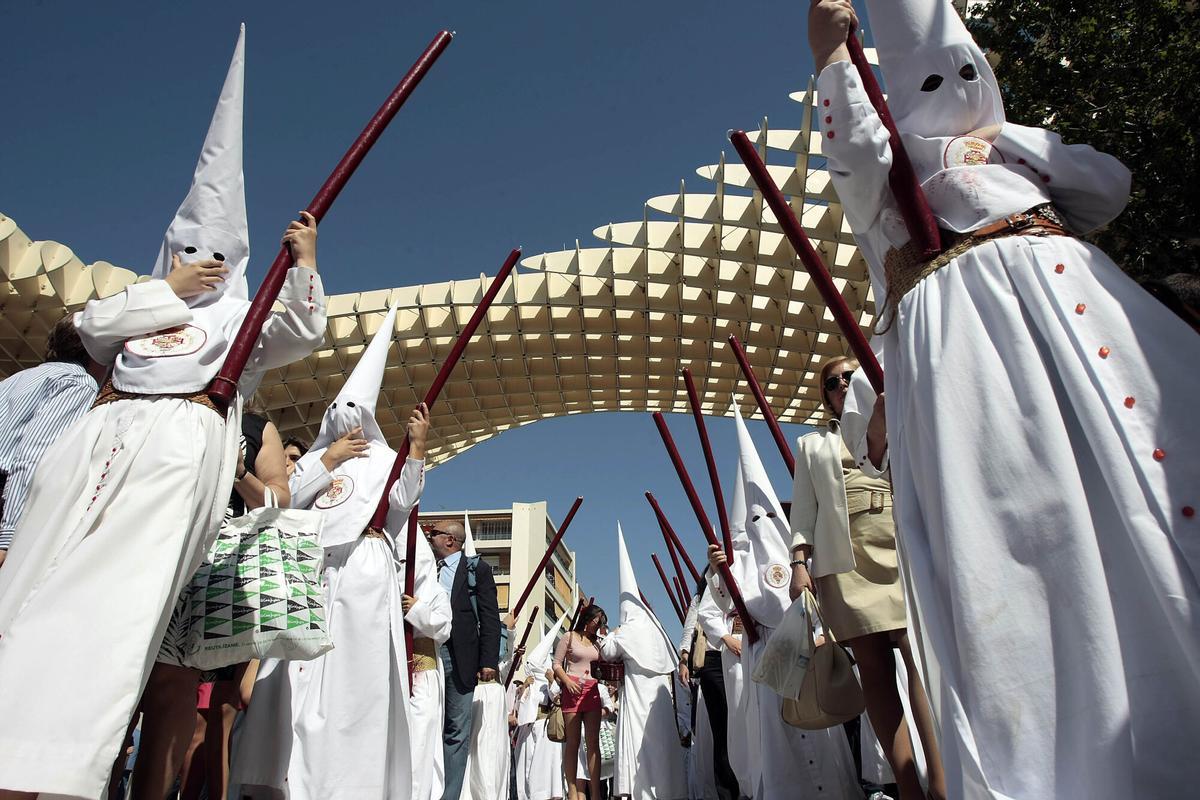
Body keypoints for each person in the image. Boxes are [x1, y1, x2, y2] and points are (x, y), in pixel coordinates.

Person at [808, 0, 1200, 796]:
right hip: (971, 358)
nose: (957, 86)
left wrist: (999, 139)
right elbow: (854, 155)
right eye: (934, 80)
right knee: (1023, 537)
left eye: (969, 71)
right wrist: (834, 63)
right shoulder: (887, 182)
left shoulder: (1015, 161)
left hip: (1076, 323)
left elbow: (1107, 185)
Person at [0, 24, 328, 799]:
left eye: (214, 253)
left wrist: (304, 267)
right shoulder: (144, 305)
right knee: (37, 600)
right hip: (96, 449)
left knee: (112, 619)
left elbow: (301, 331)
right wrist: (167, 293)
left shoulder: (242, 320)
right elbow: (92, 327)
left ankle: (64, 770)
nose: (200, 261)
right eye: (187, 248)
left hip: (176, 453)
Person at [229, 303, 430, 797]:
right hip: (314, 571)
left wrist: (416, 451)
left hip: (364, 571)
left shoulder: (385, 458)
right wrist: (329, 460)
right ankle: (286, 775)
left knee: (355, 679)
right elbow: (288, 498)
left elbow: (402, 503)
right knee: (297, 677)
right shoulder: (317, 457)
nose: (346, 418)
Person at [791, 355, 946, 799]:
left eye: (850, 376)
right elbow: (804, 510)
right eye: (832, 382)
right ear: (825, 397)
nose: (842, 384)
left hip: (900, 546)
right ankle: (908, 785)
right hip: (845, 560)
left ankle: (941, 780)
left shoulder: (896, 416)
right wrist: (799, 563)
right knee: (875, 670)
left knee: (918, 658)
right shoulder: (812, 445)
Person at [134, 404, 291, 800]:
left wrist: (238, 471)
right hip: (142, 546)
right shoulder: (160, 405)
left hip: (206, 566)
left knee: (173, 689)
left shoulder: (255, 427)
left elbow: (278, 501)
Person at [707, 406, 861, 800]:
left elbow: (814, 595)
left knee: (818, 725)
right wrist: (719, 571)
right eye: (754, 520)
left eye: (768, 517)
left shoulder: (796, 554)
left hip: (805, 649)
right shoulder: (737, 561)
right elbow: (721, 602)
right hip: (766, 658)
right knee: (780, 737)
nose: (762, 526)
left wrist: (821, 633)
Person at [0, 315, 103, 568]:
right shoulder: (78, 383)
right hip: (7, 501)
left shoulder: (15, 379)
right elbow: (33, 457)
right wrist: (9, 535)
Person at [598, 525, 688, 799]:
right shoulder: (656, 627)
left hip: (638, 695)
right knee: (663, 745)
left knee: (640, 743)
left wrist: (612, 633)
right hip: (660, 696)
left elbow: (607, 651)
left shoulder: (628, 629)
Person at [429, 517, 501, 800]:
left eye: (433, 533)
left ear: (449, 540)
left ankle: (448, 795)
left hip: (461, 658)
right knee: (426, 722)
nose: (428, 537)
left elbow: (490, 616)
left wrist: (488, 661)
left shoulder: (477, 570)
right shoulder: (424, 567)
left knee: (456, 729)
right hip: (427, 653)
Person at [552, 604, 607, 800]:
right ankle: (572, 790)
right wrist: (567, 682)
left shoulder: (598, 643)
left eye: (601, 622)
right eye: (597, 621)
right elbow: (556, 664)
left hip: (592, 691)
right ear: (588, 619)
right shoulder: (569, 637)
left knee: (593, 743)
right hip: (572, 689)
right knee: (573, 742)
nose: (598, 625)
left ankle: (596, 793)